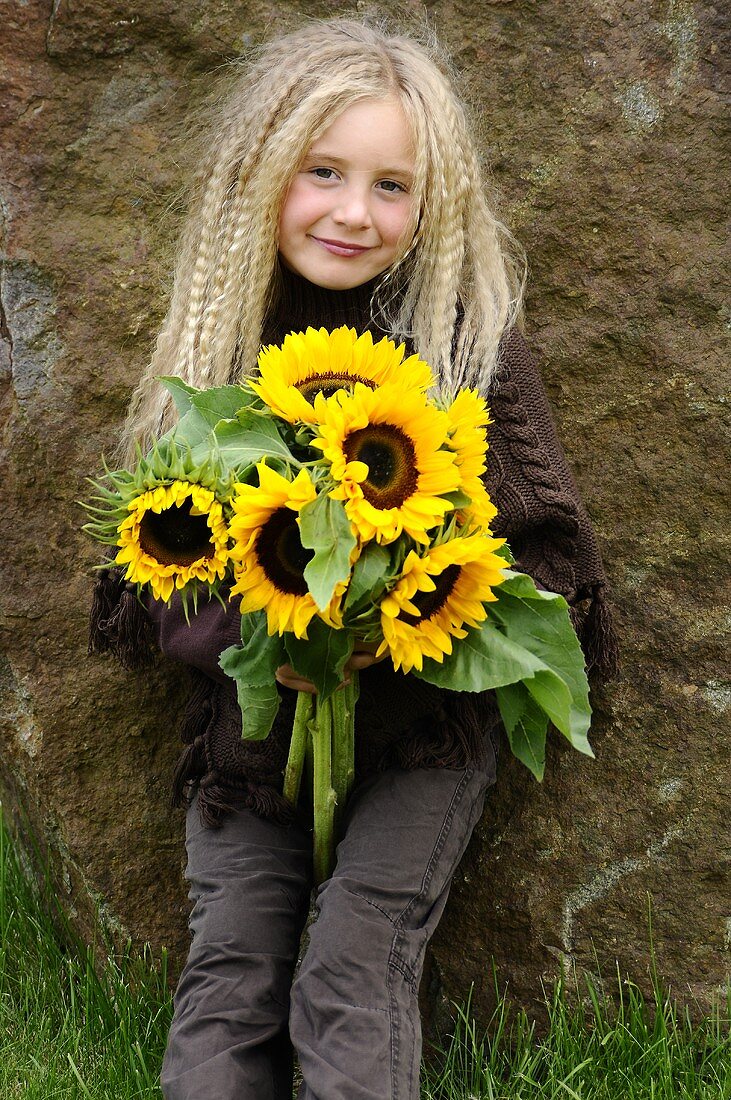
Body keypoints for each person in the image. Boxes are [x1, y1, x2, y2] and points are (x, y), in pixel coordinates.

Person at [89, 17, 617, 1100]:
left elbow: (553, 559)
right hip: (249, 739)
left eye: (391, 186)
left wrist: (391, 627)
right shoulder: (217, 345)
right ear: (260, 173)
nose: (352, 212)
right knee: (230, 966)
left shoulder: (460, 337)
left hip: (424, 724)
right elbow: (145, 571)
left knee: (352, 961)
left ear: (435, 203)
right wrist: (267, 634)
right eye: (321, 172)